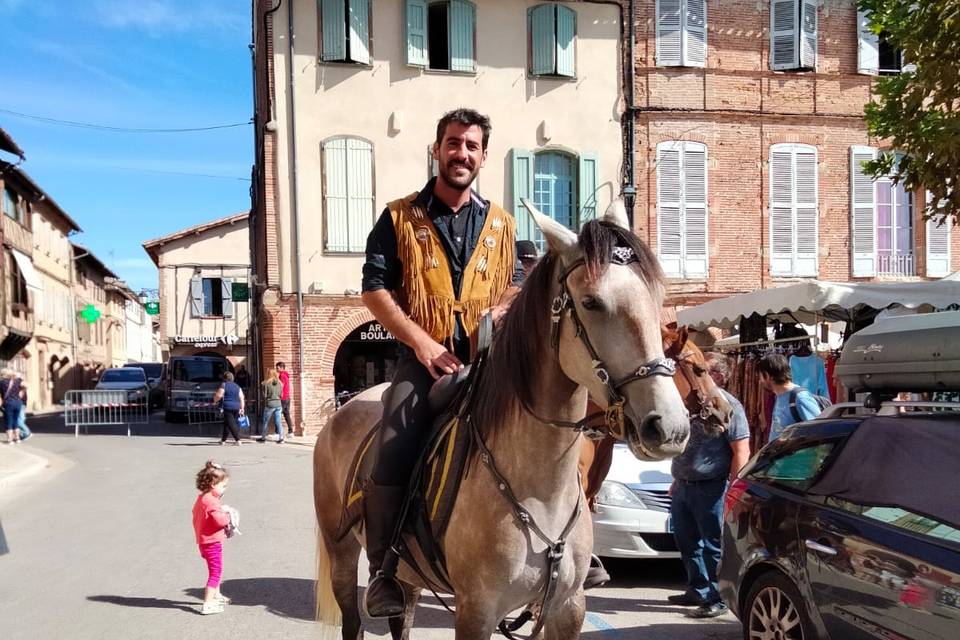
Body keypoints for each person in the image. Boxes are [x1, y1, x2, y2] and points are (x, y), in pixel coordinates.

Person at [359, 108, 522, 618]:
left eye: (472, 146)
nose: (462, 154)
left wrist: (505, 304)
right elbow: (374, 290)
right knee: (393, 445)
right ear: (437, 150)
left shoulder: (502, 223)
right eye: (454, 143)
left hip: (489, 360)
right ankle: (384, 570)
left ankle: (566, 546)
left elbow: (516, 281)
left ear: (483, 156)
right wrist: (423, 344)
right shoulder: (398, 216)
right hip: (423, 362)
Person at [667, 351, 751, 618]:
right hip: (683, 484)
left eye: (703, 371)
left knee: (714, 545)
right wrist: (675, 480)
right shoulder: (690, 403)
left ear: (718, 377)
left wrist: (734, 489)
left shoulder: (729, 406)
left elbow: (741, 450)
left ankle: (719, 597)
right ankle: (698, 590)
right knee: (687, 542)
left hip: (711, 487)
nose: (695, 377)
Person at [192, 460, 233, 615]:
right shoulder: (211, 502)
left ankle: (217, 594)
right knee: (215, 572)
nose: (224, 489)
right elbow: (221, 520)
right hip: (211, 542)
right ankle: (208, 603)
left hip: (204, 541)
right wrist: (229, 516)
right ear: (212, 485)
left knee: (217, 569)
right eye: (223, 486)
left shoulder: (203, 498)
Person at [758, 353, 820, 442]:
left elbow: (819, 432)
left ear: (768, 376)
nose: (760, 381)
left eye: (760, 376)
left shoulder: (800, 397)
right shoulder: (778, 396)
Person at [213, 372, 245, 446]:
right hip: (237, 407)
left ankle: (238, 440)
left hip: (228, 407)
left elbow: (219, 395)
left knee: (231, 424)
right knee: (227, 424)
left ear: (224, 378)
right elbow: (242, 398)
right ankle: (223, 440)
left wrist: (214, 400)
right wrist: (242, 408)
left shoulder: (224, 385)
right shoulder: (237, 386)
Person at [257, 368, 284, 443]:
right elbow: (281, 395)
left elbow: (265, 395)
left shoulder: (266, 383)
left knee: (266, 421)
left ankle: (263, 438)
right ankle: (281, 438)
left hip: (270, 404)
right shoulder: (280, 383)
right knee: (278, 422)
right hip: (278, 404)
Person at [1, 369, 25, 445]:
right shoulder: (17, 381)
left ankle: (10, 440)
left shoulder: (1, 382)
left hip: (8, 403)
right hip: (18, 402)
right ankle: (17, 438)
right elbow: (26, 385)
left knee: (9, 421)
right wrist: (22, 392)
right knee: (16, 420)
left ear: (3, 375)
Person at [276, 362, 295, 438]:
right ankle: (290, 431)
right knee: (286, 415)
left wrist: (278, 395)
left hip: (283, 398)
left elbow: (281, 386)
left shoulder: (282, 376)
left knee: (277, 414)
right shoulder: (286, 375)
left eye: (277, 368)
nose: (276, 369)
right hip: (287, 397)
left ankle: (277, 432)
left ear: (282, 368)